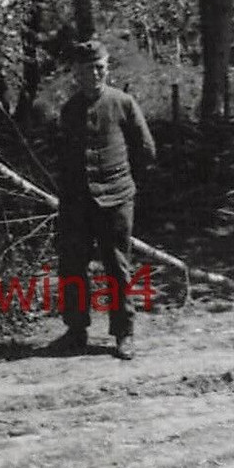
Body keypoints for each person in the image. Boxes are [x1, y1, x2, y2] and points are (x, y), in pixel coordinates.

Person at [53, 40, 155, 360]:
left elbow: (146, 150)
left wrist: (126, 183)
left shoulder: (123, 103)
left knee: (117, 266)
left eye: (100, 68)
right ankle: (76, 330)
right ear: (76, 74)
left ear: (107, 69)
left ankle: (124, 334)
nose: (94, 74)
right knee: (72, 266)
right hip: (78, 204)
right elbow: (64, 157)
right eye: (87, 69)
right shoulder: (69, 111)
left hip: (117, 199)